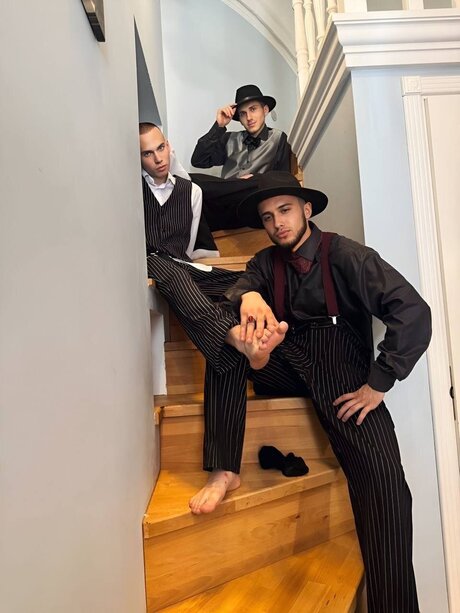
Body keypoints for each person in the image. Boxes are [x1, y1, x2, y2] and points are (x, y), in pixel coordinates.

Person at [197, 170, 430, 612]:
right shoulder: (264, 262)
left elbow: (413, 311)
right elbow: (240, 288)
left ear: (306, 209)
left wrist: (379, 382)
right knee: (223, 336)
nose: (277, 223)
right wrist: (248, 297)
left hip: (342, 372)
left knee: (386, 489)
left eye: (285, 210)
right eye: (267, 217)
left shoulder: (346, 255)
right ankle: (224, 464)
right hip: (287, 360)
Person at [139, 122, 289, 507]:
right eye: (147, 153)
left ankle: (227, 470)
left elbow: (189, 246)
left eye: (160, 148)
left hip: (182, 265)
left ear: (169, 146)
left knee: (237, 283)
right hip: (151, 263)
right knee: (170, 272)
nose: (157, 159)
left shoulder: (192, 191)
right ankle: (235, 336)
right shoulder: (132, 192)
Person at [190, 84, 292, 231]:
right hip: (224, 207)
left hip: (253, 205)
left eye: (253, 109)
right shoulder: (228, 138)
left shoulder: (278, 138)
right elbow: (198, 160)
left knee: (260, 182)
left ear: (265, 110)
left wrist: (255, 178)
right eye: (243, 114)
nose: (249, 118)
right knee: (188, 182)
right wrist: (218, 126)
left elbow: (284, 179)